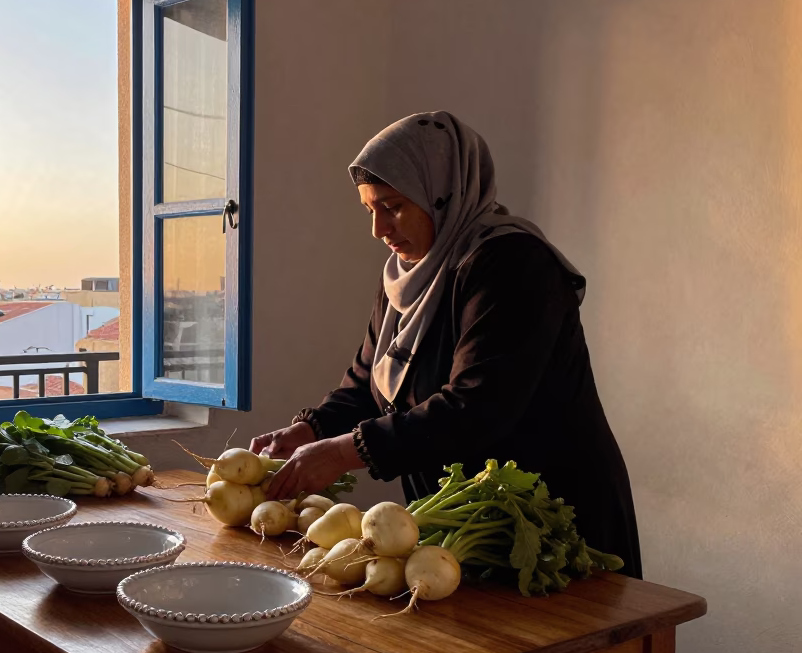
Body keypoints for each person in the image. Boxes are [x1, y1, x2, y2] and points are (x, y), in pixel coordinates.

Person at [253, 111, 642, 578]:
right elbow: (367, 384)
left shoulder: (512, 264)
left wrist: (342, 453)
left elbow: (478, 406)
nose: (379, 229)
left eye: (393, 206)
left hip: (550, 521)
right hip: (463, 524)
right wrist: (311, 430)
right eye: (369, 210)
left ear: (443, 194)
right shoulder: (411, 277)